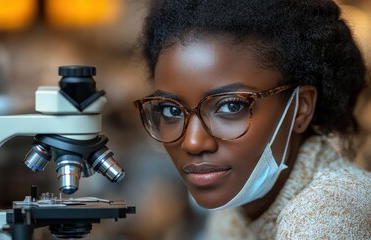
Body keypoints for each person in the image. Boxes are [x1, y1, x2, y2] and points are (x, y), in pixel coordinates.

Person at [133, 0, 371, 239]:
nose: (192, 143)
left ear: (301, 108)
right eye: (170, 110)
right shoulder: (235, 207)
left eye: (230, 105)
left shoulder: (328, 212)